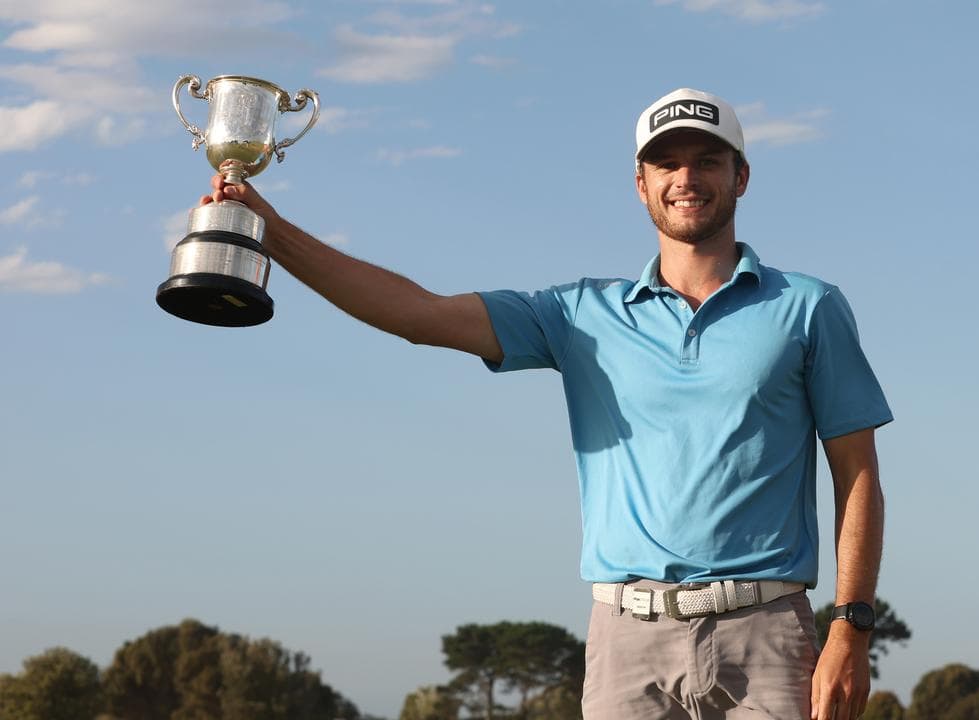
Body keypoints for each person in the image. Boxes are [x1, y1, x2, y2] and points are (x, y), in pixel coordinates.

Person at [202, 87, 892, 720]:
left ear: (740, 177)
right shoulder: (581, 314)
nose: (686, 178)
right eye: (667, 163)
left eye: (707, 161)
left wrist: (851, 627)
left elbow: (857, 475)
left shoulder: (807, 307)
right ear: (641, 184)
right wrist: (270, 231)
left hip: (767, 635)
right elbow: (417, 314)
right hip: (626, 643)